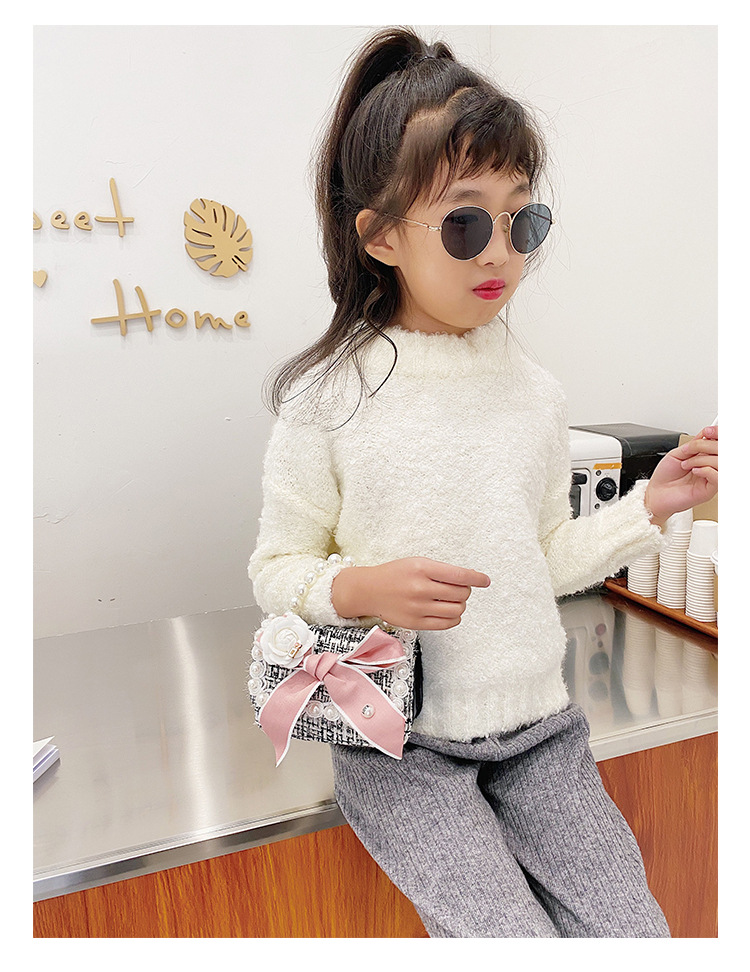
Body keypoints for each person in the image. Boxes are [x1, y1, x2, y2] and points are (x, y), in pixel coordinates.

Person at [248, 26, 718, 938]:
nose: (501, 252)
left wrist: (650, 507)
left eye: (522, 219)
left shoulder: (535, 393)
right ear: (381, 236)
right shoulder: (328, 395)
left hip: (540, 730)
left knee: (639, 935)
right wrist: (361, 588)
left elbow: (542, 557)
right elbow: (277, 568)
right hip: (398, 742)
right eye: (466, 223)